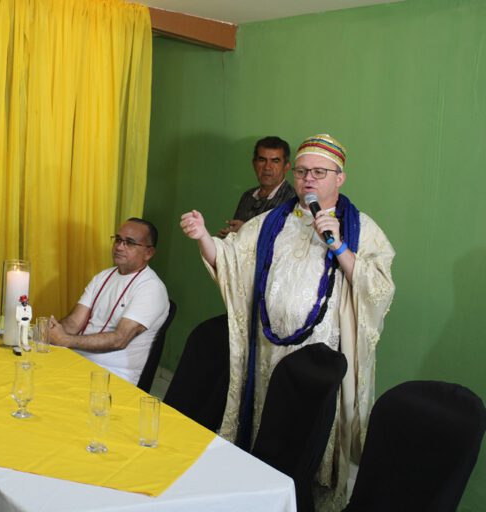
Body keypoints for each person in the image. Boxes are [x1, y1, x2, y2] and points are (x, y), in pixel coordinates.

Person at [180, 134, 395, 508]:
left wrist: (339, 245)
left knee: (307, 435)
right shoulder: (270, 222)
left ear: (339, 178)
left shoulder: (362, 227)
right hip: (267, 351)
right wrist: (202, 238)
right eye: (302, 171)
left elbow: (378, 289)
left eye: (319, 172)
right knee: (267, 425)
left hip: (318, 358)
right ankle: (260, 484)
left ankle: (302, 491)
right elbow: (233, 261)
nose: (308, 178)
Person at [48, 218, 169, 384]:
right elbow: (74, 322)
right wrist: (52, 331)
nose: (119, 247)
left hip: (113, 376)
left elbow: (120, 339)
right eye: (118, 240)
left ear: (149, 253)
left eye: (130, 243)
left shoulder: (151, 288)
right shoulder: (103, 276)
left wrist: (66, 340)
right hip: (76, 361)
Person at [218, 136, 296, 238]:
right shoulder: (248, 196)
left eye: (275, 161)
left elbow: (286, 244)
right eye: (262, 160)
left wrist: (245, 230)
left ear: (286, 167)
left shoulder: (293, 200)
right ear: (254, 164)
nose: (267, 167)